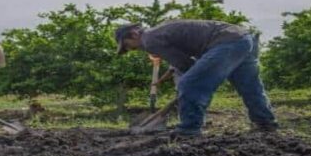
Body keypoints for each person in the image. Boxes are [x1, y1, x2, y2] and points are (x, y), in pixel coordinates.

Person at [115, 20, 278, 138]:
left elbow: (184, 63)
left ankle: (189, 130)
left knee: (190, 83)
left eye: (128, 45)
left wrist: (189, 85)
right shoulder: (158, 31)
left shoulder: (149, 39)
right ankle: (265, 123)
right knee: (249, 86)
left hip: (225, 42)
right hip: (242, 39)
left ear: (134, 34)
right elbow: (184, 62)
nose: (132, 49)